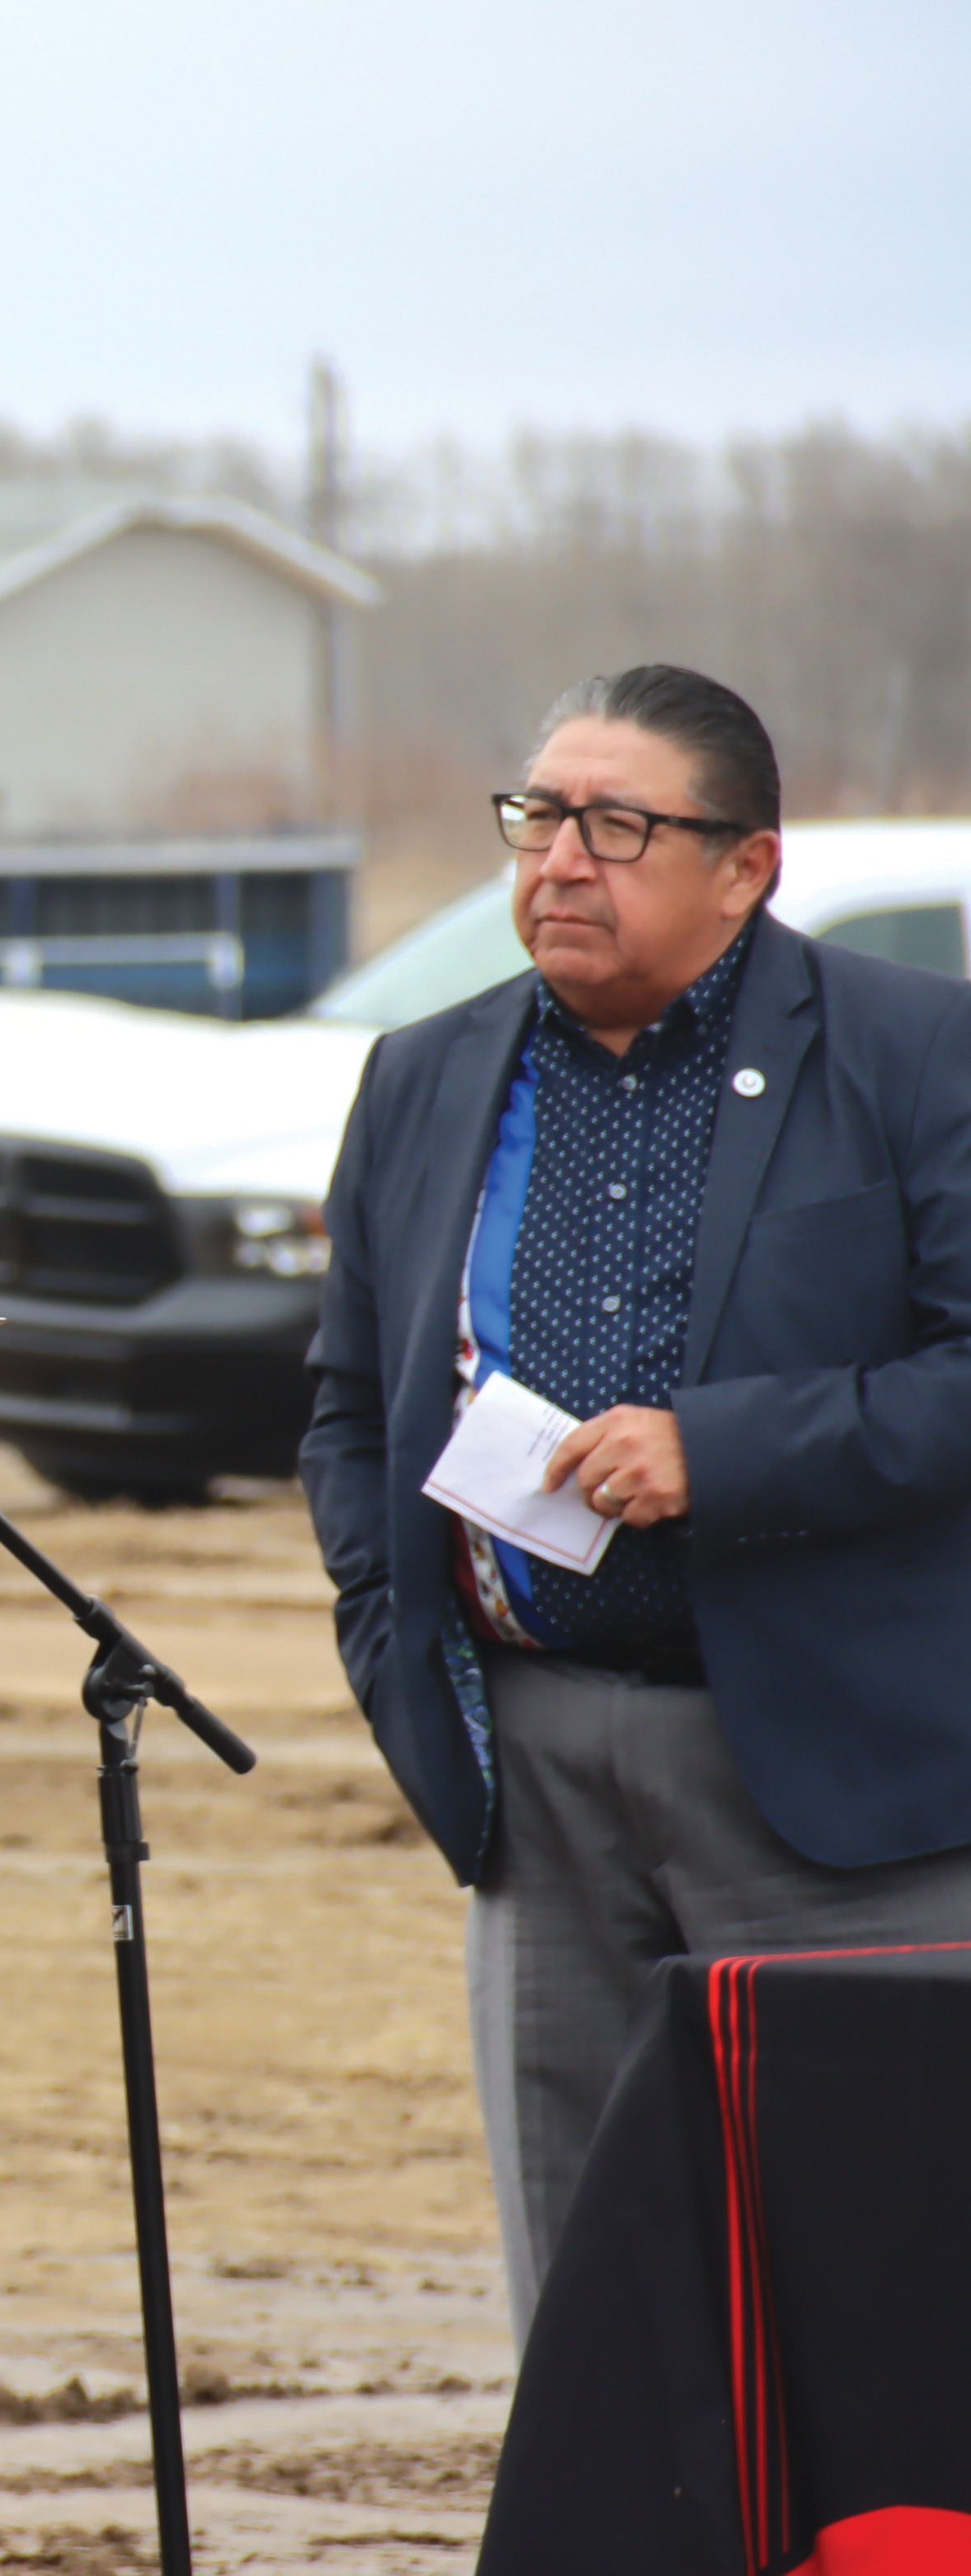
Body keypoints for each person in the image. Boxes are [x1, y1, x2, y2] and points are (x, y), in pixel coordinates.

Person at [303, 664, 971, 2332]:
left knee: (865, 2299)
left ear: (745, 865)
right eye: (539, 817)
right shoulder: (423, 1077)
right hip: (538, 1773)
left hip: (835, 1789)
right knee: (593, 2296)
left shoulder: (913, 1053)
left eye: (619, 825)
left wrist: (719, 1450)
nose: (560, 862)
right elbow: (346, 1404)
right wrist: (405, 1659)